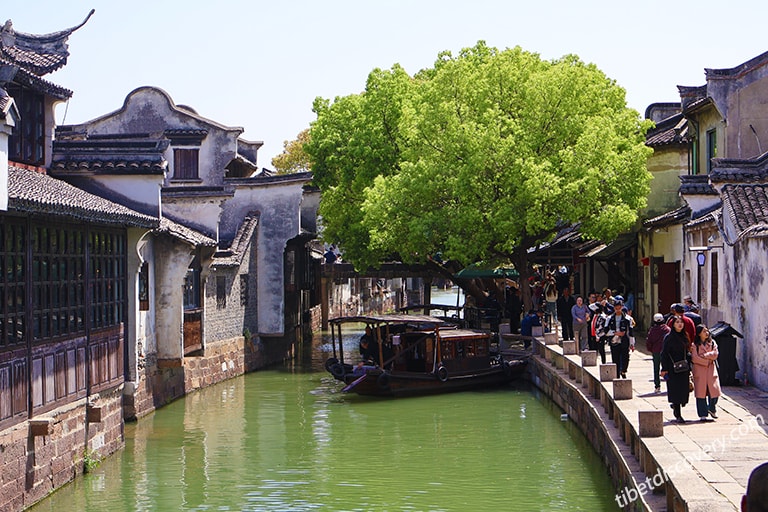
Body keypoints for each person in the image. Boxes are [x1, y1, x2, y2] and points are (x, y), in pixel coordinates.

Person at [660, 316, 692, 423]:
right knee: (675, 391)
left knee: (684, 390)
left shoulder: (685, 336)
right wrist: (664, 369)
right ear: (673, 324)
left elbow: (687, 351)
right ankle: (678, 414)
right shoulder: (669, 337)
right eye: (677, 322)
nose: (680, 324)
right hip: (672, 368)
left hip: (684, 367)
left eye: (681, 322)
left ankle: (676, 405)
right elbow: (664, 354)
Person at [691, 324, 722, 421]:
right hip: (700, 371)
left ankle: (711, 408)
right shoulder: (694, 345)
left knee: (715, 391)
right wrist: (706, 361)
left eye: (707, 331)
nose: (707, 333)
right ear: (699, 333)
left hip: (711, 370)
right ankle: (702, 414)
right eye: (704, 331)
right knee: (701, 393)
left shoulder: (712, 343)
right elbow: (695, 358)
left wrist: (704, 355)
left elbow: (715, 354)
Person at [603, 298, 635, 378]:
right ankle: (617, 375)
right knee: (615, 359)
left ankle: (623, 371)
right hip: (614, 342)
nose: (618, 310)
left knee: (625, 358)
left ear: (622, 307)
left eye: (619, 308)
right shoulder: (609, 318)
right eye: (616, 308)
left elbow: (631, 332)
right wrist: (615, 333)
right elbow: (605, 331)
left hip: (624, 341)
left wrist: (632, 344)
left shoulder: (628, 319)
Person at [646, 313, 670, 393]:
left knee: (656, 369)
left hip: (656, 352)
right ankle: (669, 383)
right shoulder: (667, 329)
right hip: (666, 352)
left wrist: (651, 349)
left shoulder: (652, 330)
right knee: (667, 368)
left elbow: (649, 341)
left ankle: (657, 386)